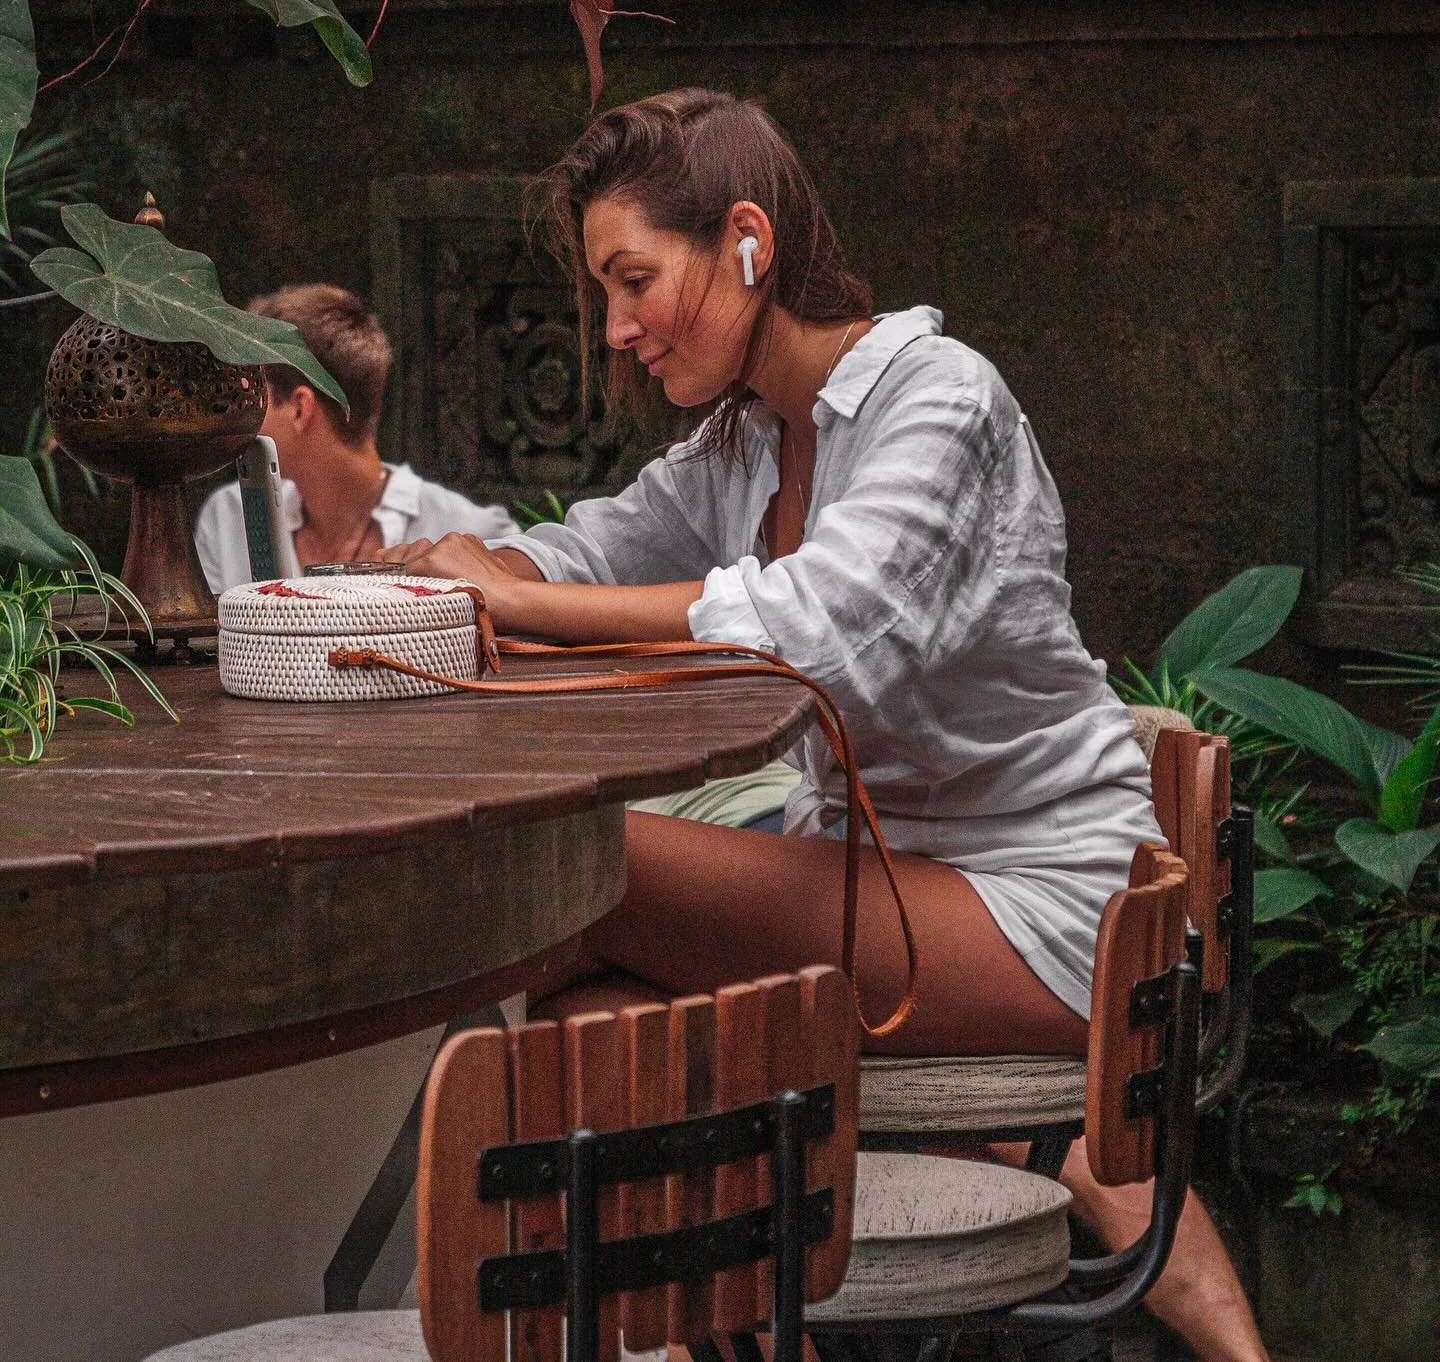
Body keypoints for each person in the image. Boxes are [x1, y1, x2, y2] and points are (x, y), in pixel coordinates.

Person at [377, 90, 1270, 1362]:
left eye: (636, 281)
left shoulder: (937, 400)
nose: (618, 328)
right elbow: (588, 552)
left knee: (573, 877)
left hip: (1048, 905)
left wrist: (519, 596)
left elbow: (815, 625)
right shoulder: (744, 445)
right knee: (600, 1015)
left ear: (749, 239)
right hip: (902, 892)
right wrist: (484, 558)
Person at [195, 284, 518, 593]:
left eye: (251, 397)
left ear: (299, 408)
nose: (236, 413)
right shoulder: (229, 518)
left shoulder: (469, 530)